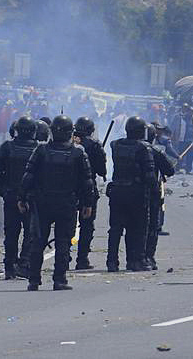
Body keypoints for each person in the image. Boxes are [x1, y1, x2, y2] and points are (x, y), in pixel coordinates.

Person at [21, 116, 96, 291]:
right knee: (62, 242)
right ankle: (59, 279)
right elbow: (87, 182)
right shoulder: (78, 153)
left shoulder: (42, 151)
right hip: (65, 203)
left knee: (38, 241)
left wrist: (22, 197)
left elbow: (28, 176)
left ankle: (34, 279)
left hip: (44, 203)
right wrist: (88, 203)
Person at [0, 116, 40, 280]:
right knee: (30, 233)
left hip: (12, 196)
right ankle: (23, 263)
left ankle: (9, 266)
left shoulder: (7, 147)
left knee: (11, 233)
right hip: (30, 197)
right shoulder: (38, 149)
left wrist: (3, 191)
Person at [106, 116, 155, 272]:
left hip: (117, 191)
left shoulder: (116, 145)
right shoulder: (144, 148)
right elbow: (149, 175)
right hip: (137, 192)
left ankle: (112, 261)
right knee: (138, 228)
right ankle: (137, 260)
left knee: (115, 229)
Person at [73, 116, 107, 271]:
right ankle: (82, 259)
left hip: (69, 188)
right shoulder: (94, 145)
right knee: (87, 224)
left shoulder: (68, 142)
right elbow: (101, 170)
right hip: (87, 187)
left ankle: (64, 256)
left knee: (66, 224)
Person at [144, 123, 176, 270]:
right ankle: (147, 258)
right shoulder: (154, 150)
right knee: (150, 226)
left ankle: (134, 258)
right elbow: (170, 169)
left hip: (138, 190)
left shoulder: (120, 146)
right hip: (149, 190)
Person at [171, 104, 193, 173]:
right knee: (180, 154)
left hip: (191, 140)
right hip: (182, 139)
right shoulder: (181, 118)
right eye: (189, 111)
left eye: (192, 111)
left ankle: (188, 169)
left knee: (191, 156)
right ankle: (178, 168)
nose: (191, 112)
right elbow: (174, 127)